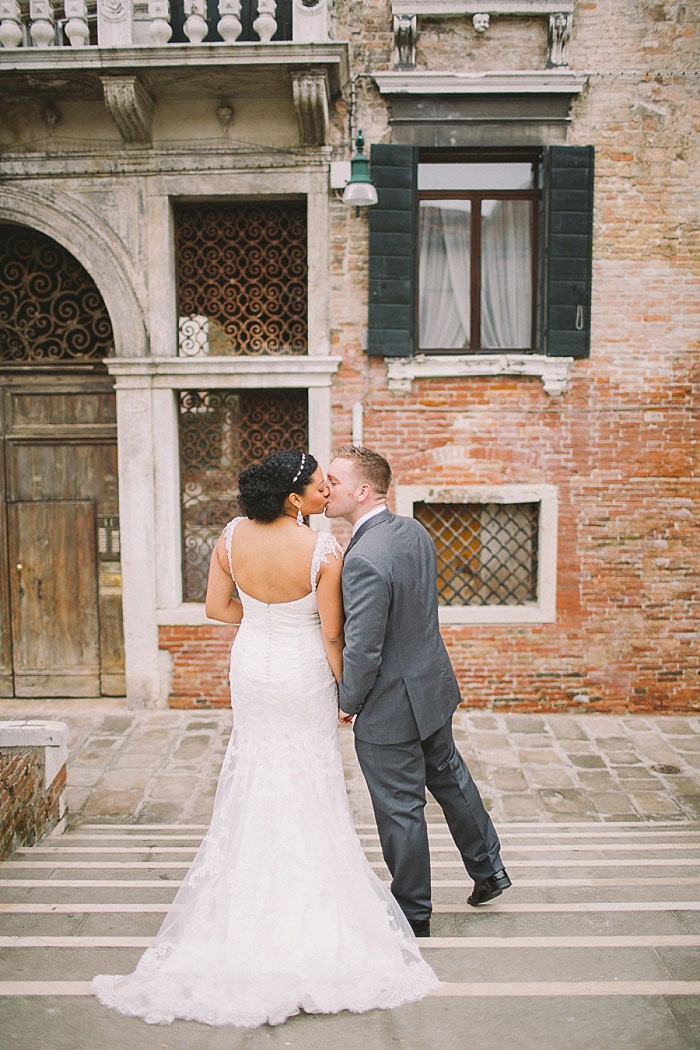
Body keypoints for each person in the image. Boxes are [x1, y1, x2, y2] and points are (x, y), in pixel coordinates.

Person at [92, 449, 438, 1028]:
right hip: (303, 670)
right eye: (316, 487)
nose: (326, 492)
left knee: (255, 767)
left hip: (252, 665)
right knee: (308, 773)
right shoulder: (323, 551)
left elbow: (214, 608)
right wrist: (345, 695)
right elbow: (334, 637)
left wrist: (260, 618)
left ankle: (246, 897)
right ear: (293, 499)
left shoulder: (229, 536)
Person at [325, 445, 510, 938]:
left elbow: (364, 648)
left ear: (363, 491)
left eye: (334, 482)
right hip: (431, 686)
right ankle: (489, 871)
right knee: (450, 778)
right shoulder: (414, 530)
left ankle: (413, 914)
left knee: (399, 807)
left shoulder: (362, 558)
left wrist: (348, 702)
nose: (326, 489)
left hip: (390, 704)